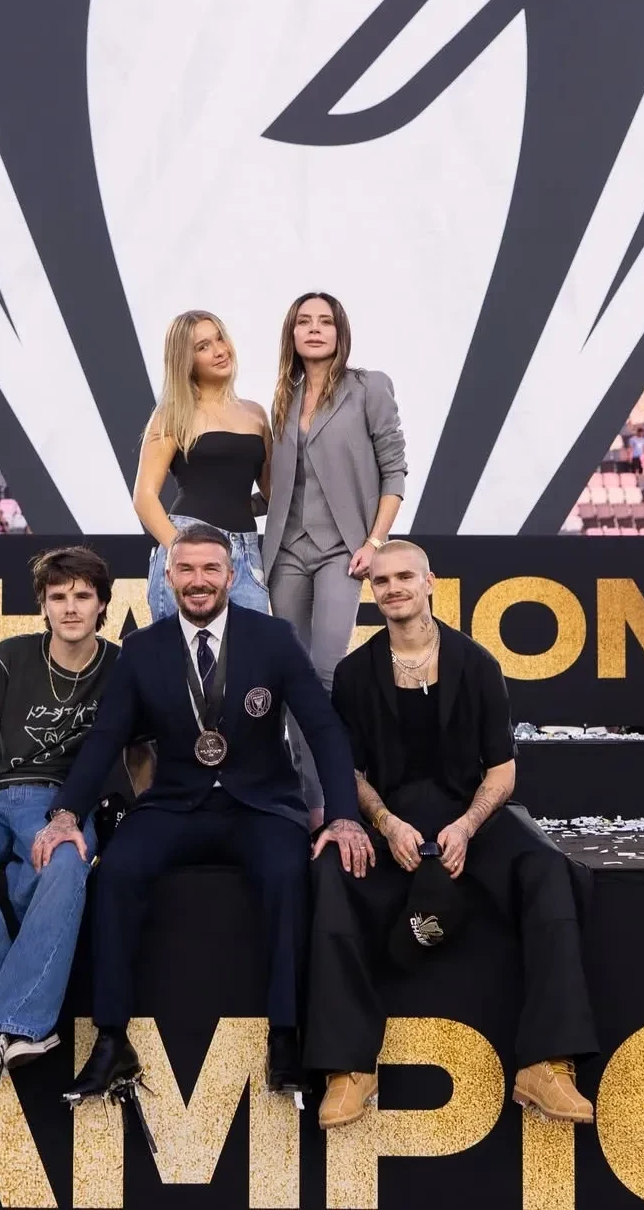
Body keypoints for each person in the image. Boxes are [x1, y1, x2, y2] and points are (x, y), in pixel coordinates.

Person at [33, 524, 369, 1104]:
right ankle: (111, 1040)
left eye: (211, 568)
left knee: (288, 874)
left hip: (261, 805)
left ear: (231, 576)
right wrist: (65, 814)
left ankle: (286, 1038)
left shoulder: (274, 638)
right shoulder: (142, 649)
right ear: (168, 577)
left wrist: (342, 815)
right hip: (174, 803)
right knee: (115, 874)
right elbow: (106, 738)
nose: (198, 580)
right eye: (186, 569)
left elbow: (323, 730)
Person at [304, 540, 598, 1129]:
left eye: (404, 577)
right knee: (331, 874)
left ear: (430, 582)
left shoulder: (477, 663)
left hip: (471, 817)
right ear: (372, 591)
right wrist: (385, 823)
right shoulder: (355, 674)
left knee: (547, 870)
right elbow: (350, 773)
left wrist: (465, 826)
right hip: (392, 820)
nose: (393, 588)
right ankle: (348, 1068)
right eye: (382, 581)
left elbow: (502, 772)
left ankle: (546, 1063)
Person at [0, 548, 147, 1093]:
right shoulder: (10, 656)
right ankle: (13, 1027)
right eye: (58, 597)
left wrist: (151, 811)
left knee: (64, 865)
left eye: (83, 596)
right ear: (43, 604)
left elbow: (139, 753)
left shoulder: (120, 667)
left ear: (103, 604)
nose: (70, 607)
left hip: (63, 805)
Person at [264, 292, 406, 825]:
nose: (315, 329)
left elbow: (394, 469)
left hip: (343, 551)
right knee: (289, 675)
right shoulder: (283, 396)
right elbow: (279, 486)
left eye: (325, 321)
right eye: (304, 321)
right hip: (285, 551)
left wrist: (375, 541)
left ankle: (330, 801)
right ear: (292, 333)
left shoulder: (369, 387)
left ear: (340, 332)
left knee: (323, 671)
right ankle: (307, 800)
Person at [133, 311, 271, 621]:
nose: (219, 350)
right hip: (186, 543)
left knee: (251, 648)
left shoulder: (256, 414)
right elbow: (144, 497)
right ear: (186, 360)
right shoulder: (172, 414)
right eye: (203, 346)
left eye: (220, 338)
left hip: (245, 554)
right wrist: (181, 551)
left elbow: (273, 494)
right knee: (178, 651)